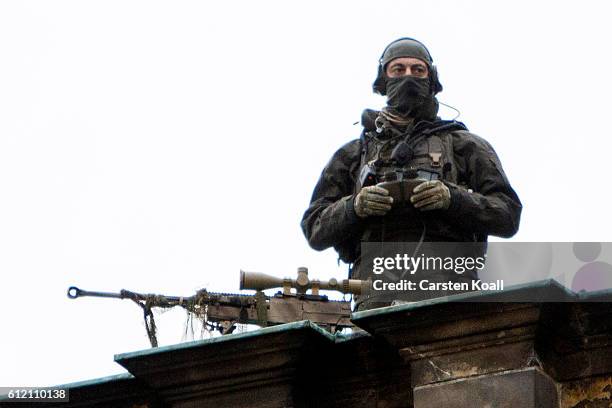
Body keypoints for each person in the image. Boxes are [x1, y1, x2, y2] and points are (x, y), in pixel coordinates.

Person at [301, 37, 522, 309]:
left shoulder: (464, 145)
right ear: (384, 81)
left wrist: (452, 199)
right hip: (375, 298)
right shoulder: (354, 153)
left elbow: (508, 214)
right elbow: (314, 226)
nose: (408, 77)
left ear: (432, 80)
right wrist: (355, 206)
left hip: (451, 294)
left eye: (418, 70)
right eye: (398, 70)